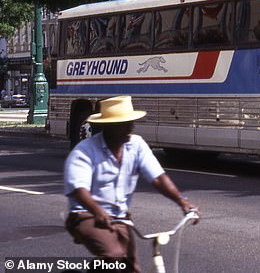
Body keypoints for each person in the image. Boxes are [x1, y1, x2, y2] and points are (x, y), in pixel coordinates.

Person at [64, 96, 199, 272]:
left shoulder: (136, 145)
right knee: (113, 255)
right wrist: (98, 211)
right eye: (123, 124)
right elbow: (79, 190)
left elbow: (158, 178)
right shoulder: (84, 152)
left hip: (121, 220)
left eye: (131, 123)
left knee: (130, 268)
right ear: (108, 126)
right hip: (86, 215)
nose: (130, 128)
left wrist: (182, 202)